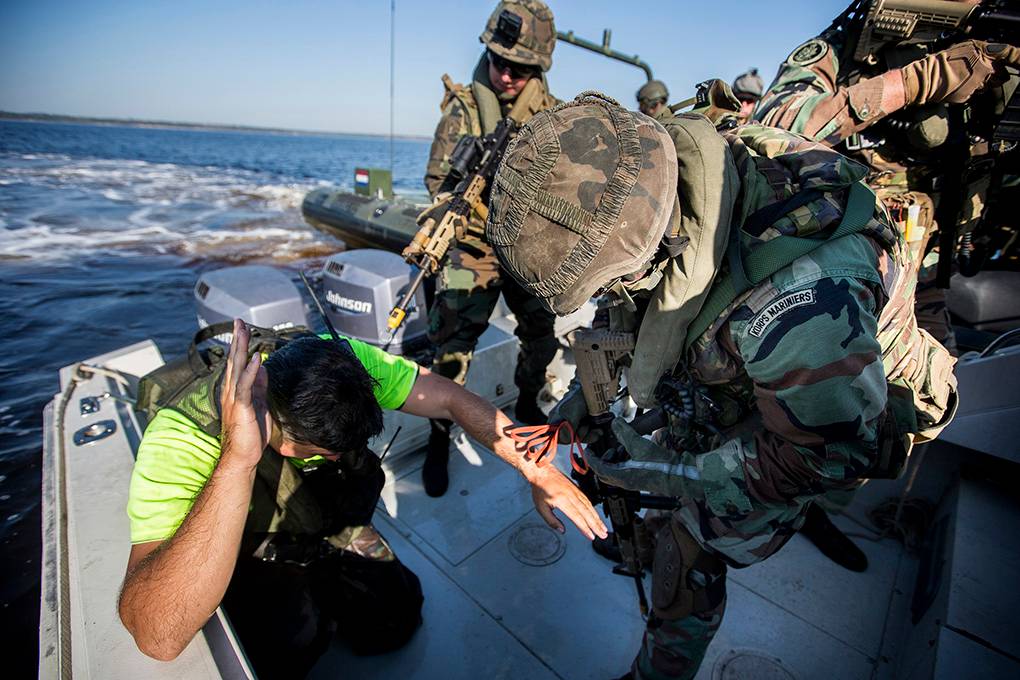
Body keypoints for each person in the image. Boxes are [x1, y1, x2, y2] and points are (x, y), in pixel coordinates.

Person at [485, 93, 957, 679]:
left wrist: (661, 471)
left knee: (689, 549)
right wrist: (583, 399)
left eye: (608, 283)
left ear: (647, 254)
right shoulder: (668, 176)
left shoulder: (798, 307)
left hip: (833, 417)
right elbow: (637, 306)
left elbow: (831, 455)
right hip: (767, 382)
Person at [118, 319, 606, 678]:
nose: (335, 458)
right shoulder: (181, 439)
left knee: (397, 618)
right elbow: (157, 635)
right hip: (252, 550)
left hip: (330, 524)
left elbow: (448, 397)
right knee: (288, 649)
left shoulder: (343, 361)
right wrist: (237, 460)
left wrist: (534, 467)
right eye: (320, 451)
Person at [754, 3, 1020, 354]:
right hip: (850, 275)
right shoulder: (847, 48)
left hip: (928, 274)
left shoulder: (993, 43)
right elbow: (775, 124)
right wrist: (916, 81)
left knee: (940, 378)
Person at [421, 0, 560, 498]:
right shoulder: (463, 109)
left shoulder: (554, 118)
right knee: (451, 346)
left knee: (541, 335)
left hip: (526, 244)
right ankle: (440, 436)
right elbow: (436, 181)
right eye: (499, 63)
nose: (505, 75)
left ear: (538, 69)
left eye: (518, 69)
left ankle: (527, 402)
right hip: (473, 242)